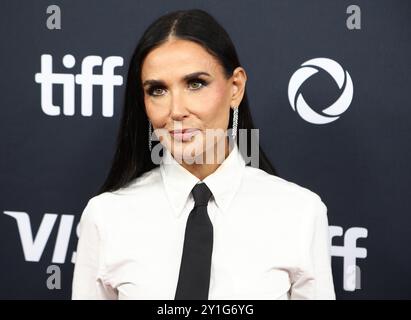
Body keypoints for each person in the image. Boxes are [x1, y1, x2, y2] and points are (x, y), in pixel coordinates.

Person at [72, 9, 335, 300]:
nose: (176, 111)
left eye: (195, 84)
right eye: (157, 90)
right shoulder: (106, 216)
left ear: (235, 87)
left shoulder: (299, 214)